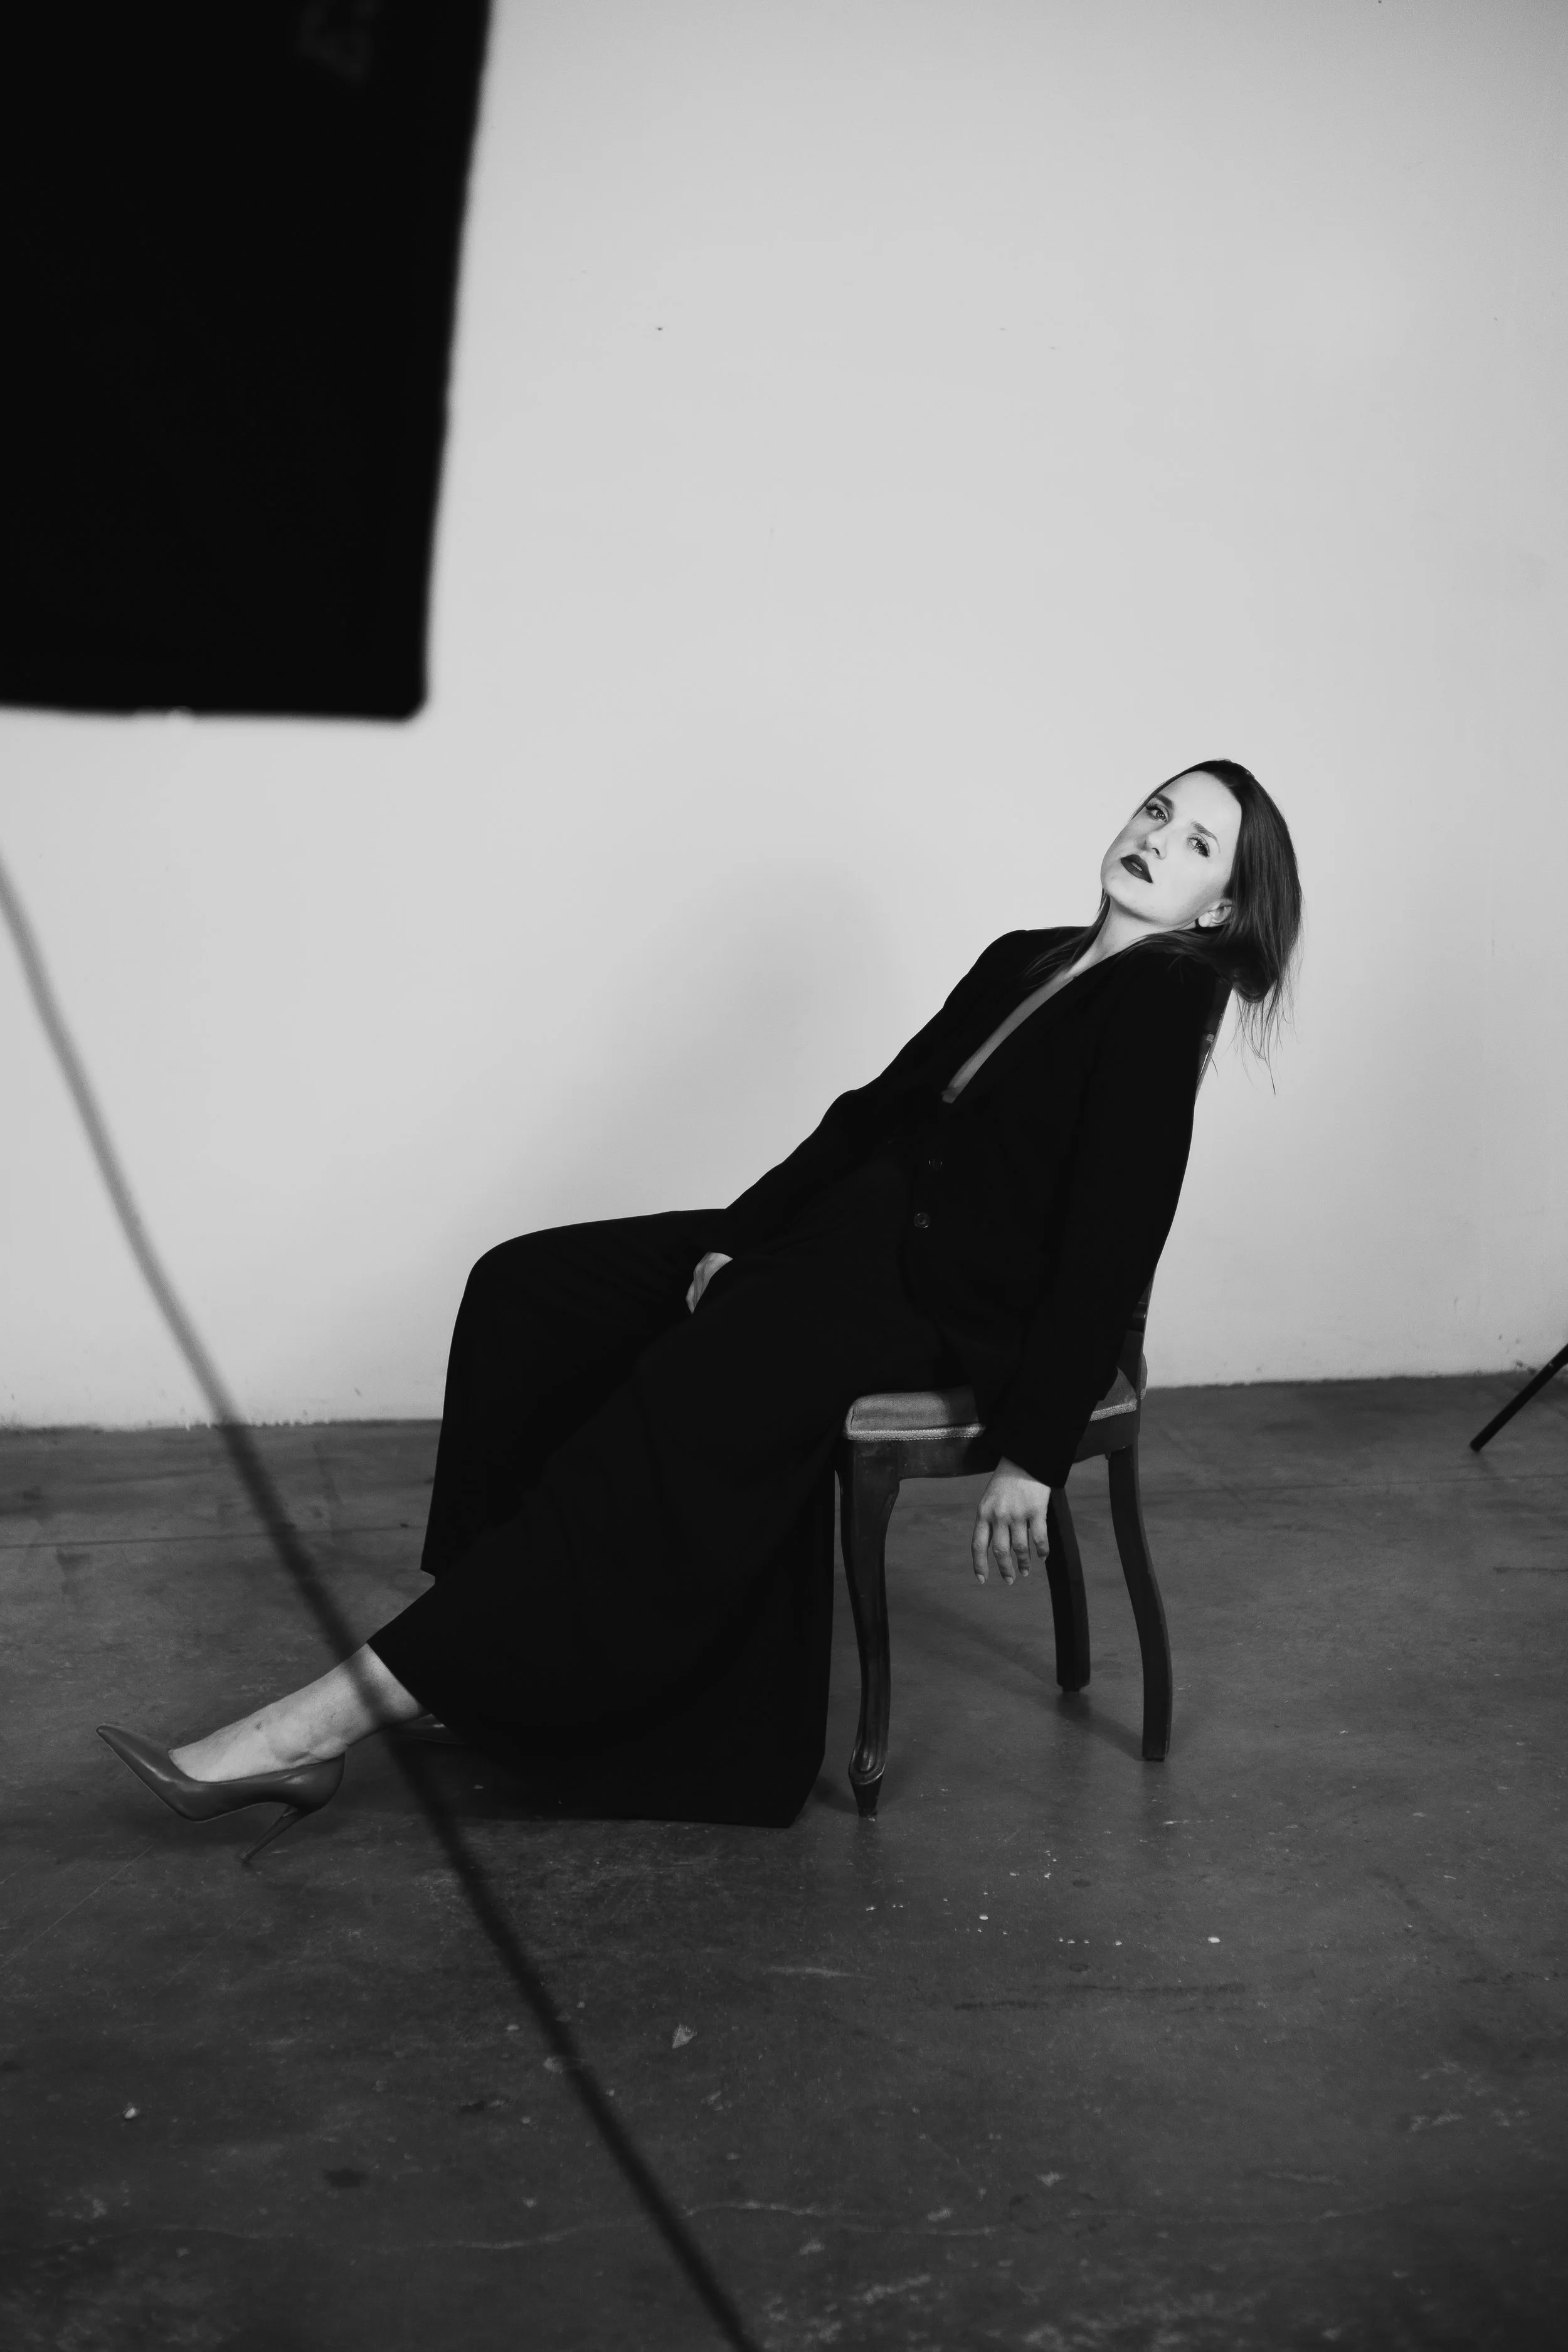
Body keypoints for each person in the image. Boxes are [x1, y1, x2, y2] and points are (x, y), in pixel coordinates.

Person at [99, 761, 1301, 1850]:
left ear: (1220, 909)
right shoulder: (1022, 956)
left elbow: (1113, 1238)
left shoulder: (1161, 999)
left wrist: (1034, 1452)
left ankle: (309, 1729)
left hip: (938, 1300)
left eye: (1198, 843)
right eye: (1158, 809)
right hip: (838, 1240)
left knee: (684, 1394)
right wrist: (740, 1235)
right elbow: (871, 1116)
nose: (1158, 837)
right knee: (527, 1289)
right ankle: (481, 1658)